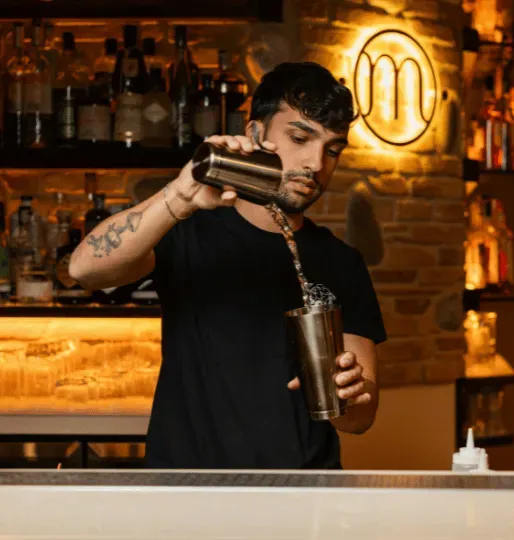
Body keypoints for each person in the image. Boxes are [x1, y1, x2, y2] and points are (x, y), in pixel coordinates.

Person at [69, 62, 387, 469]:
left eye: (332, 149)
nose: (315, 163)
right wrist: (180, 196)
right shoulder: (186, 230)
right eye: (299, 137)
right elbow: (83, 269)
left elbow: (361, 419)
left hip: (304, 495)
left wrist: (354, 393)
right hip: (188, 488)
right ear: (255, 133)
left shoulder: (342, 261)